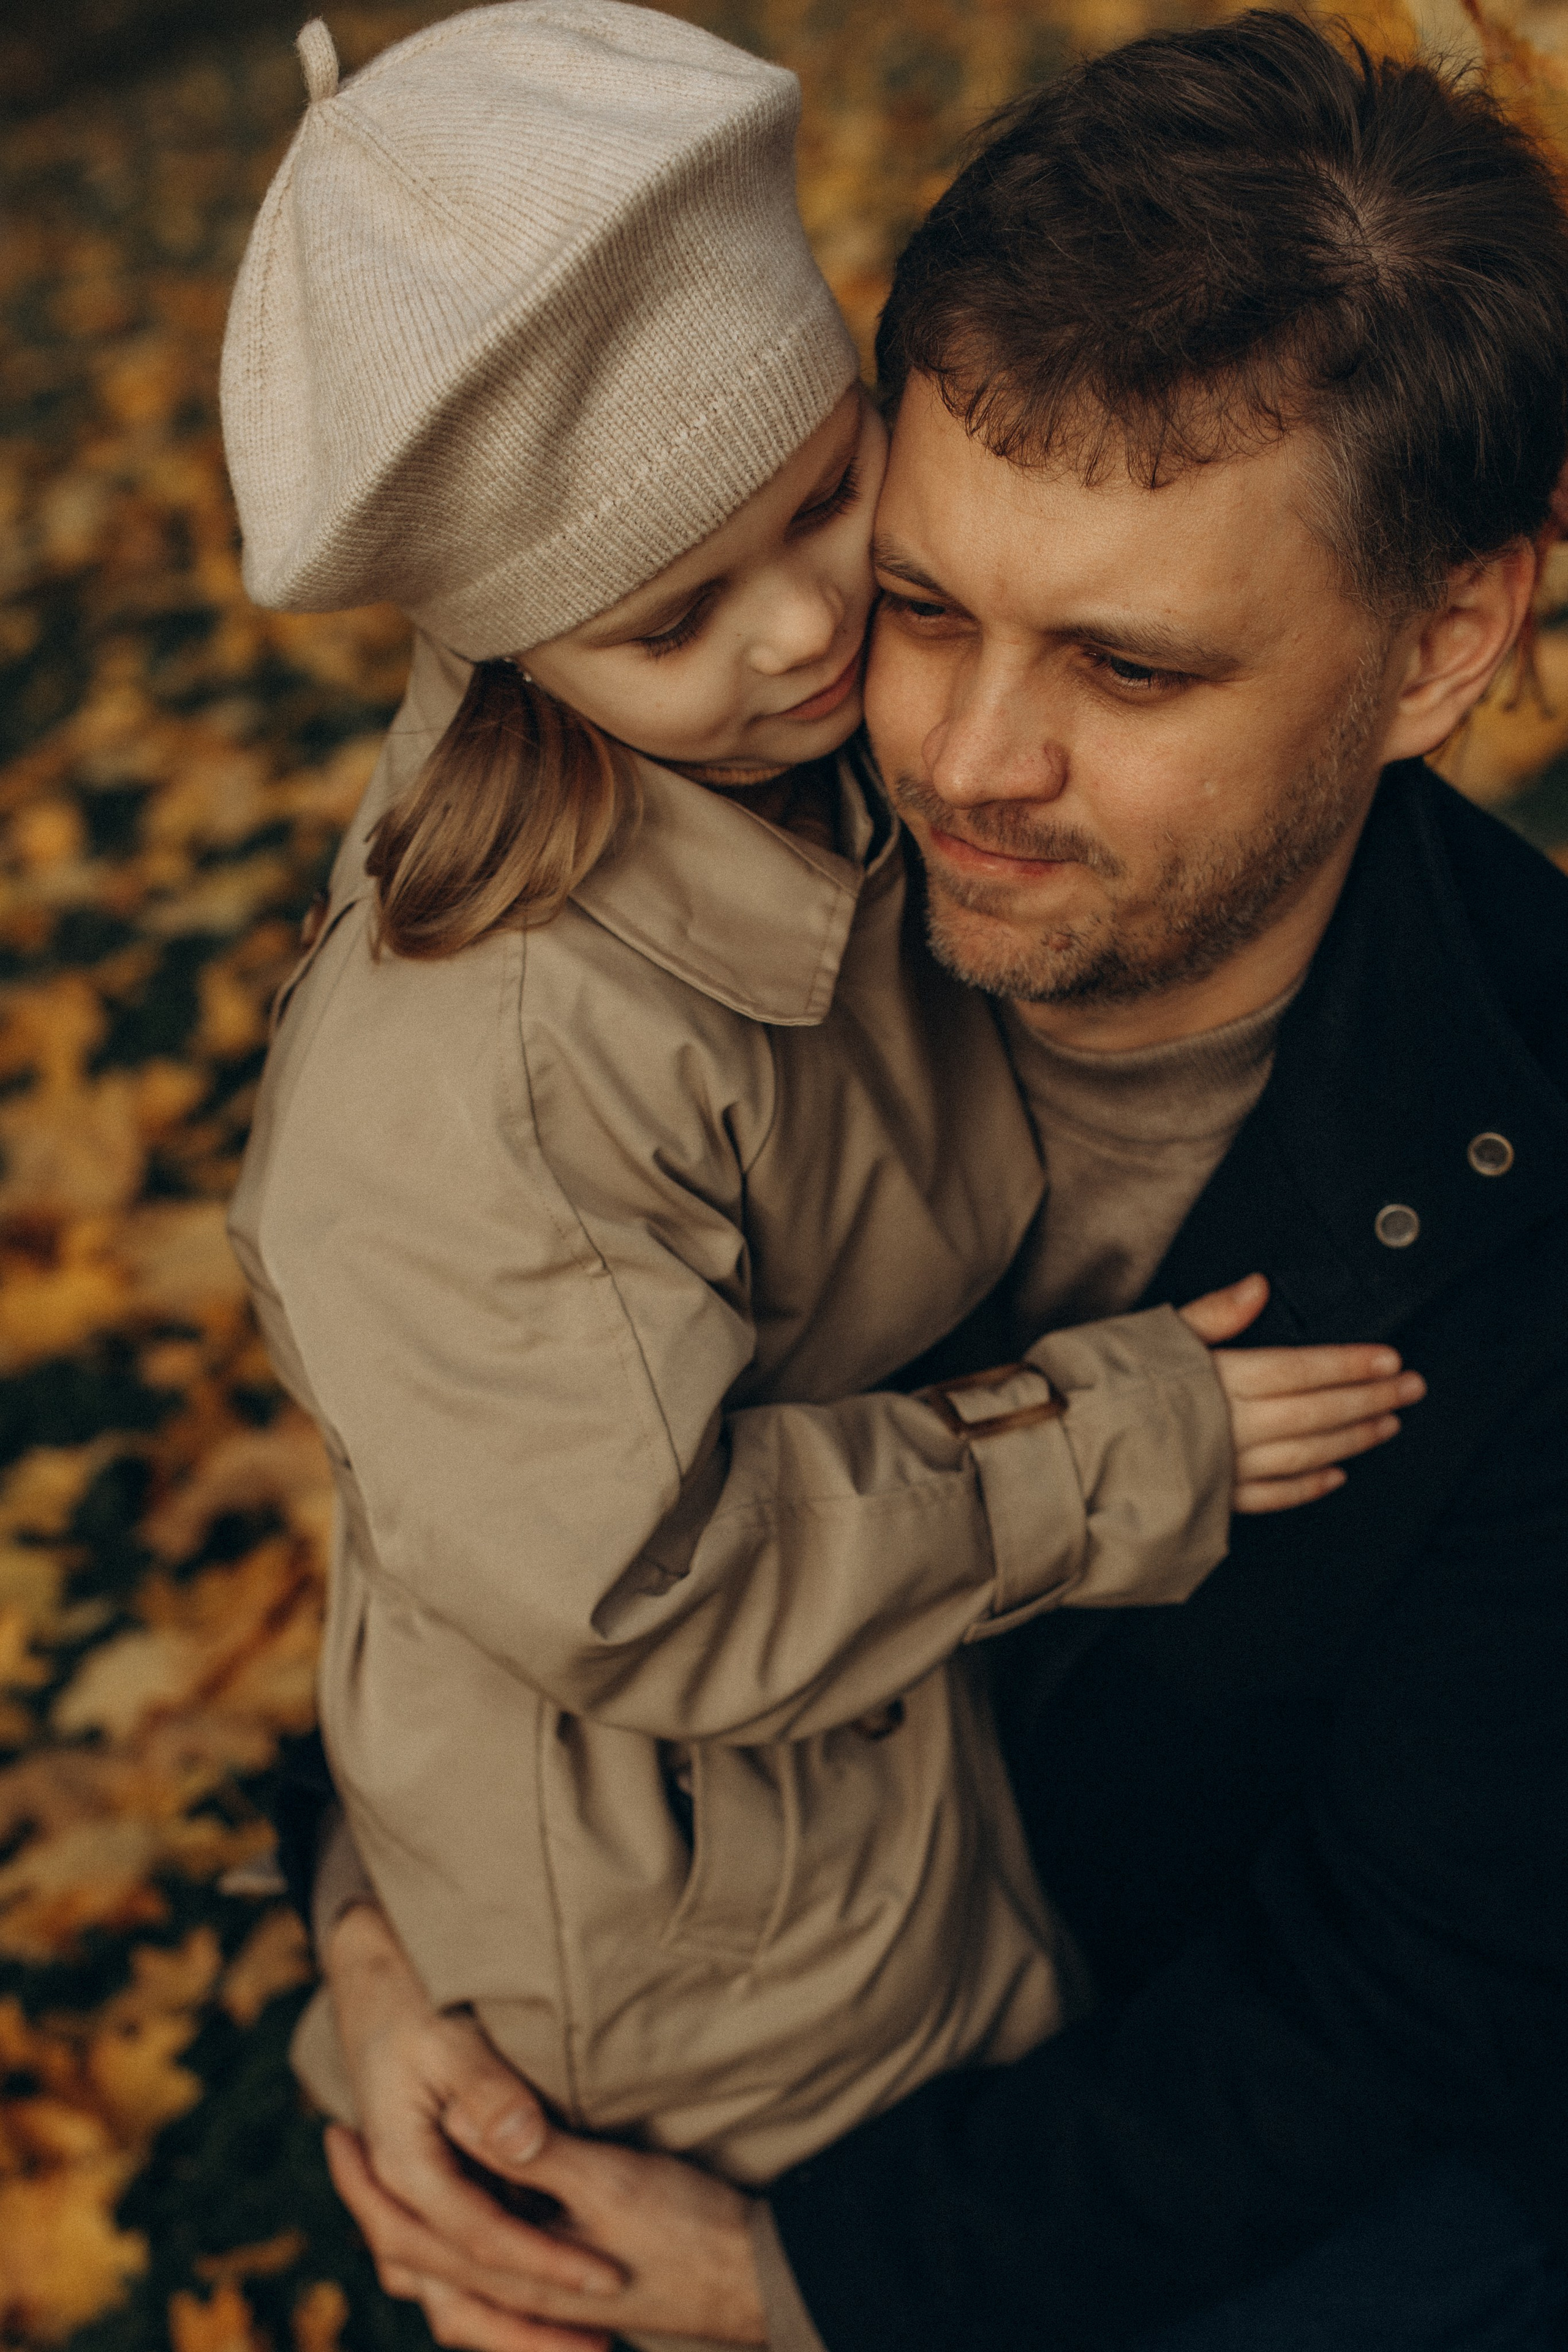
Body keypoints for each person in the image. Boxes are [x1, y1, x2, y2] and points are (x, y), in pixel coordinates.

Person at [306, 14, 1568, 2352]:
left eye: (1128, 662)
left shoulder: (1539, 1177)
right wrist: (375, 1960)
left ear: (1448, 641)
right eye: (923, 597)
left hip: (1194, 2173)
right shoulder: (671, 930)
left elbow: (1423, 1989)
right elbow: (489, 1500)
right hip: (644, 2023)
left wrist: (811, 2281)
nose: (959, 756)